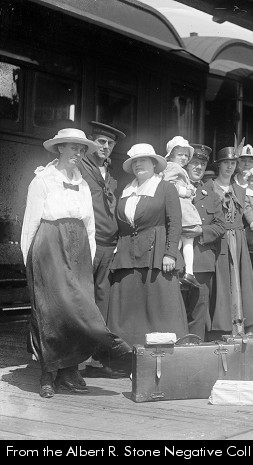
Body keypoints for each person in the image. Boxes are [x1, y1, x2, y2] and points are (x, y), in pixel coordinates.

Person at [21, 128, 131, 398]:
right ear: (60, 148)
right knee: (50, 310)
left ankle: (68, 371)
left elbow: (89, 225)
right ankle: (47, 374)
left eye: (82, 150)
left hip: (79, 248)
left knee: (78, 309)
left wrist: (88, 259)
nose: (78, 154)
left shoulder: (82, 183)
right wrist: (29, 262)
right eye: (73, 148)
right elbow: (31, 223)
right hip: (49, 246)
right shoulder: (42, 180)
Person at [107, 143, 188, 349]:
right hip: (127, 256)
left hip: (157, 256)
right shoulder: (126, 190)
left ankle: (163, 355)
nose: (138, 165)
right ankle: (128, 355)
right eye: (135, 162)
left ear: (154, 164)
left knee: (160, 308)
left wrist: (170, 253)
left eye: (143, 160)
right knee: (129, 310)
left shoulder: (166, 188)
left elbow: (175, 223)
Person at [78, 121, 126, 378]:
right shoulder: (79, 167)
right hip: (88, 242)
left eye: (110, 143)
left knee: (102, 302)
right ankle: (75, 360)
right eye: (101, 141)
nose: (106, 146)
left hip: (110, 245)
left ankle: (97, 358)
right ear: (90, 141)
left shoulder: (112, 174)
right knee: (81, 300)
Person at [210, 144, 253, 336]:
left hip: (239, 241)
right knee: (222, 281)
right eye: (226, 163)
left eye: (233, 163)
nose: (229, 167)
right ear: (219, 165)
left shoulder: (240, 190)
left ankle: (243, 327)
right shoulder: (209, 187)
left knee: (241, 281)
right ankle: (223, 327)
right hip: (220, 239)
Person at [180, 144, 226, 340]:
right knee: (175, 311)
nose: (198, 167)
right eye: (194, 163)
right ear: (185, 164)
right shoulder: (171, 189)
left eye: (202, 164)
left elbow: (220, 226)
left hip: (201, 262)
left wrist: (201, 231)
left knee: (198, 314)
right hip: (174, 261)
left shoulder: (211, 196)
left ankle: (194, 351)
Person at [162, 136, 202, 287]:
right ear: (171, 155)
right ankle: (186, 271)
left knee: (184, 238)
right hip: (180, 208)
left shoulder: (179, 169)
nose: (184, 158)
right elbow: (166, 184)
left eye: (186, 155)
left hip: (183, 207)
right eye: (180, 154)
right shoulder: (172, 167)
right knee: (186, 237)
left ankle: (185, 271)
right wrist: (185, 191)